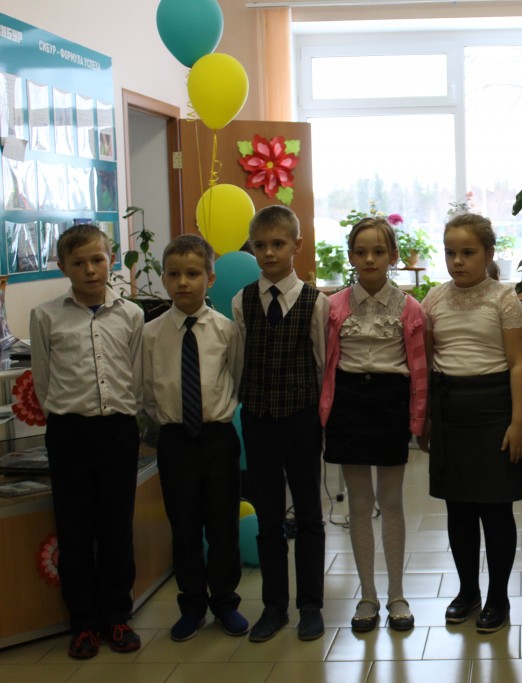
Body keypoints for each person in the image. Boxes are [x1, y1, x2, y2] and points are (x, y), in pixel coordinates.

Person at [30, 224, 144, 659]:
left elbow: (135, 374)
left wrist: (123, 413)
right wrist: (65, 414)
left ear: (111, 259)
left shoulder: (131, 315)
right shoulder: (46, 316)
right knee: (74, 528)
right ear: (64, 267)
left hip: (117, 429)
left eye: (97, 259)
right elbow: (43, 379)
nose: (90, 270)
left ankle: (117, 616)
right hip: (69, 433)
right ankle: (82, 623)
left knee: (116, 526)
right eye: (79, 263)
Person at [318, 217, 428, 633]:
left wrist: (418, 419)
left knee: (392, 502)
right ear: (350, 256)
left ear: (393, 256)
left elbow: (420, 368)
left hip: (389, 403)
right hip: (348, 404)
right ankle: (367, 596)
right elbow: (325, 364)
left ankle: (397, 594)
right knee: (359, 506)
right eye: (361, 251)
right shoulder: (332, 307)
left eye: (378, 252)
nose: (369, 259)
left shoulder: (409, 308)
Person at [421, 212, 522, 634]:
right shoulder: (433, 299)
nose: (458, 261)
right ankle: (467, 591)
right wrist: (427, 418)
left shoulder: (505, 298)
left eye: (468, 252)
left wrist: (518, 422)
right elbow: (426, 361)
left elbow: (519, 364)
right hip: (451, 411)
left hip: (494, 412)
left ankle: (498, 596)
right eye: (450, 253)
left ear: (488, 253)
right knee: (459, 510)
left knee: (496, 510)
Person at [143, 235, 248, 642]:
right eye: (173, 274)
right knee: (184, 526)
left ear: (210, 278)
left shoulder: (226, 331)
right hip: (175, 441)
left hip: (218, 438)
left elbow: (235, 377)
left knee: (222, 526)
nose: (182, 282)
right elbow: (146, 390)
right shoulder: (151, 334)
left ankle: (225, 602)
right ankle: (191, 605)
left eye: (192, 273)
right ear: (164, 279)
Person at [231, 205, 328, 642]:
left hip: (302, 419)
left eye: (278, 244)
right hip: (258, 419)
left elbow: (322, 364)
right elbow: (239, 362)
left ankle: (310, 605)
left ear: (296, 246)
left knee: (308, 514)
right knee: (269, 517)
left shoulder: (315, 302)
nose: (268, 253)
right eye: (260, 245)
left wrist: (316, 415)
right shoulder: (242, 301)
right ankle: (274, 606)